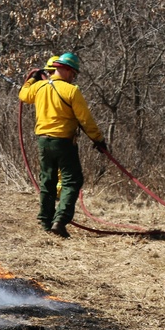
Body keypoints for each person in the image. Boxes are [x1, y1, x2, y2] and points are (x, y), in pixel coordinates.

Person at [18, 52, 107, 238]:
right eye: (72, 73)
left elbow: (23, 95)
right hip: (64, 142)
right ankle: (60, 220)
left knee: (48, 180)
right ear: (64, 70)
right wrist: (98, 140)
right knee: (72, 181)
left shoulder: (40, 87)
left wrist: (32, 80)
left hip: (43, 141)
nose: (73, 76)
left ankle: (45, 221)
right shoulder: (71, 91)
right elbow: (85, 119)